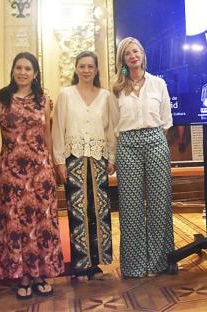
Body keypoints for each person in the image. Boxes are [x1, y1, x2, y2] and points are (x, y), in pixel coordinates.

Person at [0, 52, 64, 299]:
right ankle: (22, 275)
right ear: (12, 70)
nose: (22, 72)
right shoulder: (1, 97)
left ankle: (40, 273)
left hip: (40, 171)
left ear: (35, 73)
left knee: (41, 222)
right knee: (16, 223)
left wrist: (51, 164)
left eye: (27, 68)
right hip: (12, 172)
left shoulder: (43, 99)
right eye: (18, 67)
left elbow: (47, 135)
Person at [110, 37, 174, 278]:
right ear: (123, 60)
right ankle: (134, 266)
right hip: (127, 145)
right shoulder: (116, 88)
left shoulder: (158, 84)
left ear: (143, 54)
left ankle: (159, 262)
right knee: (130, 206)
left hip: (156, 141)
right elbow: (113, 124)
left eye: (135, 51)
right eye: (127, 53)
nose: (133, 56)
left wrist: (152, 137)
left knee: (159, 203)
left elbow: (166, 121)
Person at [52, 51, 115, 280]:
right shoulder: (66, 94)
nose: (86, 70)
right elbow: (57, 129)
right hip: (74, 158)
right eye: (82, 66)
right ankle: (80, 264)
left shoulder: (106, 96)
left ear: (96, 70)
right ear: (76, 69)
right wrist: (59, 161)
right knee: (77, 211)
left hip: (98, 159)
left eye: (91, 66)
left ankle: (96, 263)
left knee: (99, 212)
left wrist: (111, 156)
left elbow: (110, 129)